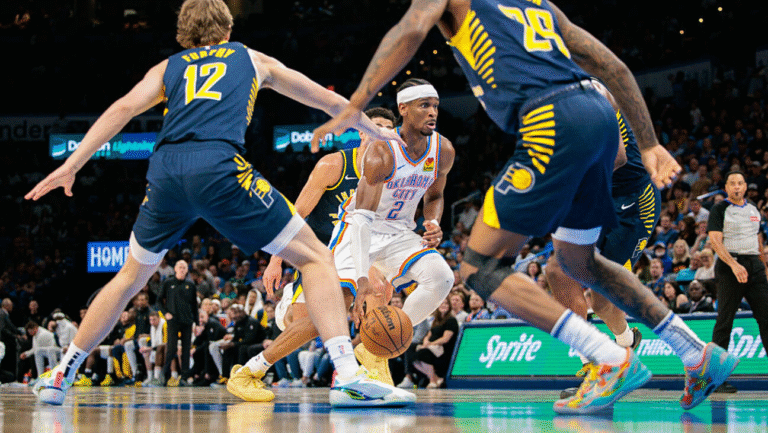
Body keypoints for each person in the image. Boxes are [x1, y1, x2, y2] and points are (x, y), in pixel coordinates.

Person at [312, 0, 737, 414]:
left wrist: (354, 102)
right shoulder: (539, 5)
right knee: (578, 262)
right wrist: (649, 142)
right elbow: (613, 67)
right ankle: (696, 353)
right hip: (599, 114)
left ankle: (610, 358)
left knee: (479, 267)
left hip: (550, 121)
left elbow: (410, 28)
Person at [25, 0, 411, 407]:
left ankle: (61, 373)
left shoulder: (167, 68)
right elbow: (329, 101)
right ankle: (348, 375)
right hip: (219, 168)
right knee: (316, 258)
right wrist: (378, 133)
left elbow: (121, 108)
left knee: (128, 279)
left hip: (166, 172)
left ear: (184, 34)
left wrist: (72, 164)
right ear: (228, 29)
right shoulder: (250, 57)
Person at [228, 108, 399, 400]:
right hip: (320, 254)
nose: (382, 133)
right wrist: (275, 260)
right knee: (310, 325)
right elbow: (297, 213)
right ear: (362, 132)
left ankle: (375, 363)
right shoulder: (333, 165)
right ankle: (250, 371)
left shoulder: (393, 173)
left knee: (379, 284)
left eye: (388, 129)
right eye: (376, 127)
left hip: (357, 254)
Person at [546, 104, 660, 400]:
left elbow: (618, 157)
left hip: (633, 203)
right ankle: (591, 367)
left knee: (602, 298)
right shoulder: (543, 112)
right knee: (557, 271)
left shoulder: (593, 97)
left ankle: (626, 343)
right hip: (597, 198)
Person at [707, 171, 768, 393]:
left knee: (767, 318)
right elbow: (715, 241)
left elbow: (758, 240)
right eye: (732, 183)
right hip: (729, 266)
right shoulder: (719, 209)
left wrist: (764, 269)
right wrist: (734, 265)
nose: (737, 187)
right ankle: (715, 380)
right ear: (726, 187)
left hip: (755, 265)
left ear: (745, 187)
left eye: (740, 183)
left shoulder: (753, 208)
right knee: (724, 322)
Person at [413, 298, 458, 388]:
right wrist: (426, 341)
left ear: (449, 306)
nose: (444, 305)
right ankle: (437, 378)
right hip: (432, 347)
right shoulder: (436, 320)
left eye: (446, 303)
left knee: (423, 354)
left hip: (443, 349)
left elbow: (445, 339)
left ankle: (432, 380)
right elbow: (429, 335)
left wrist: (430, 344)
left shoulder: (451, 320)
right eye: (441, 303)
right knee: (413, 357)